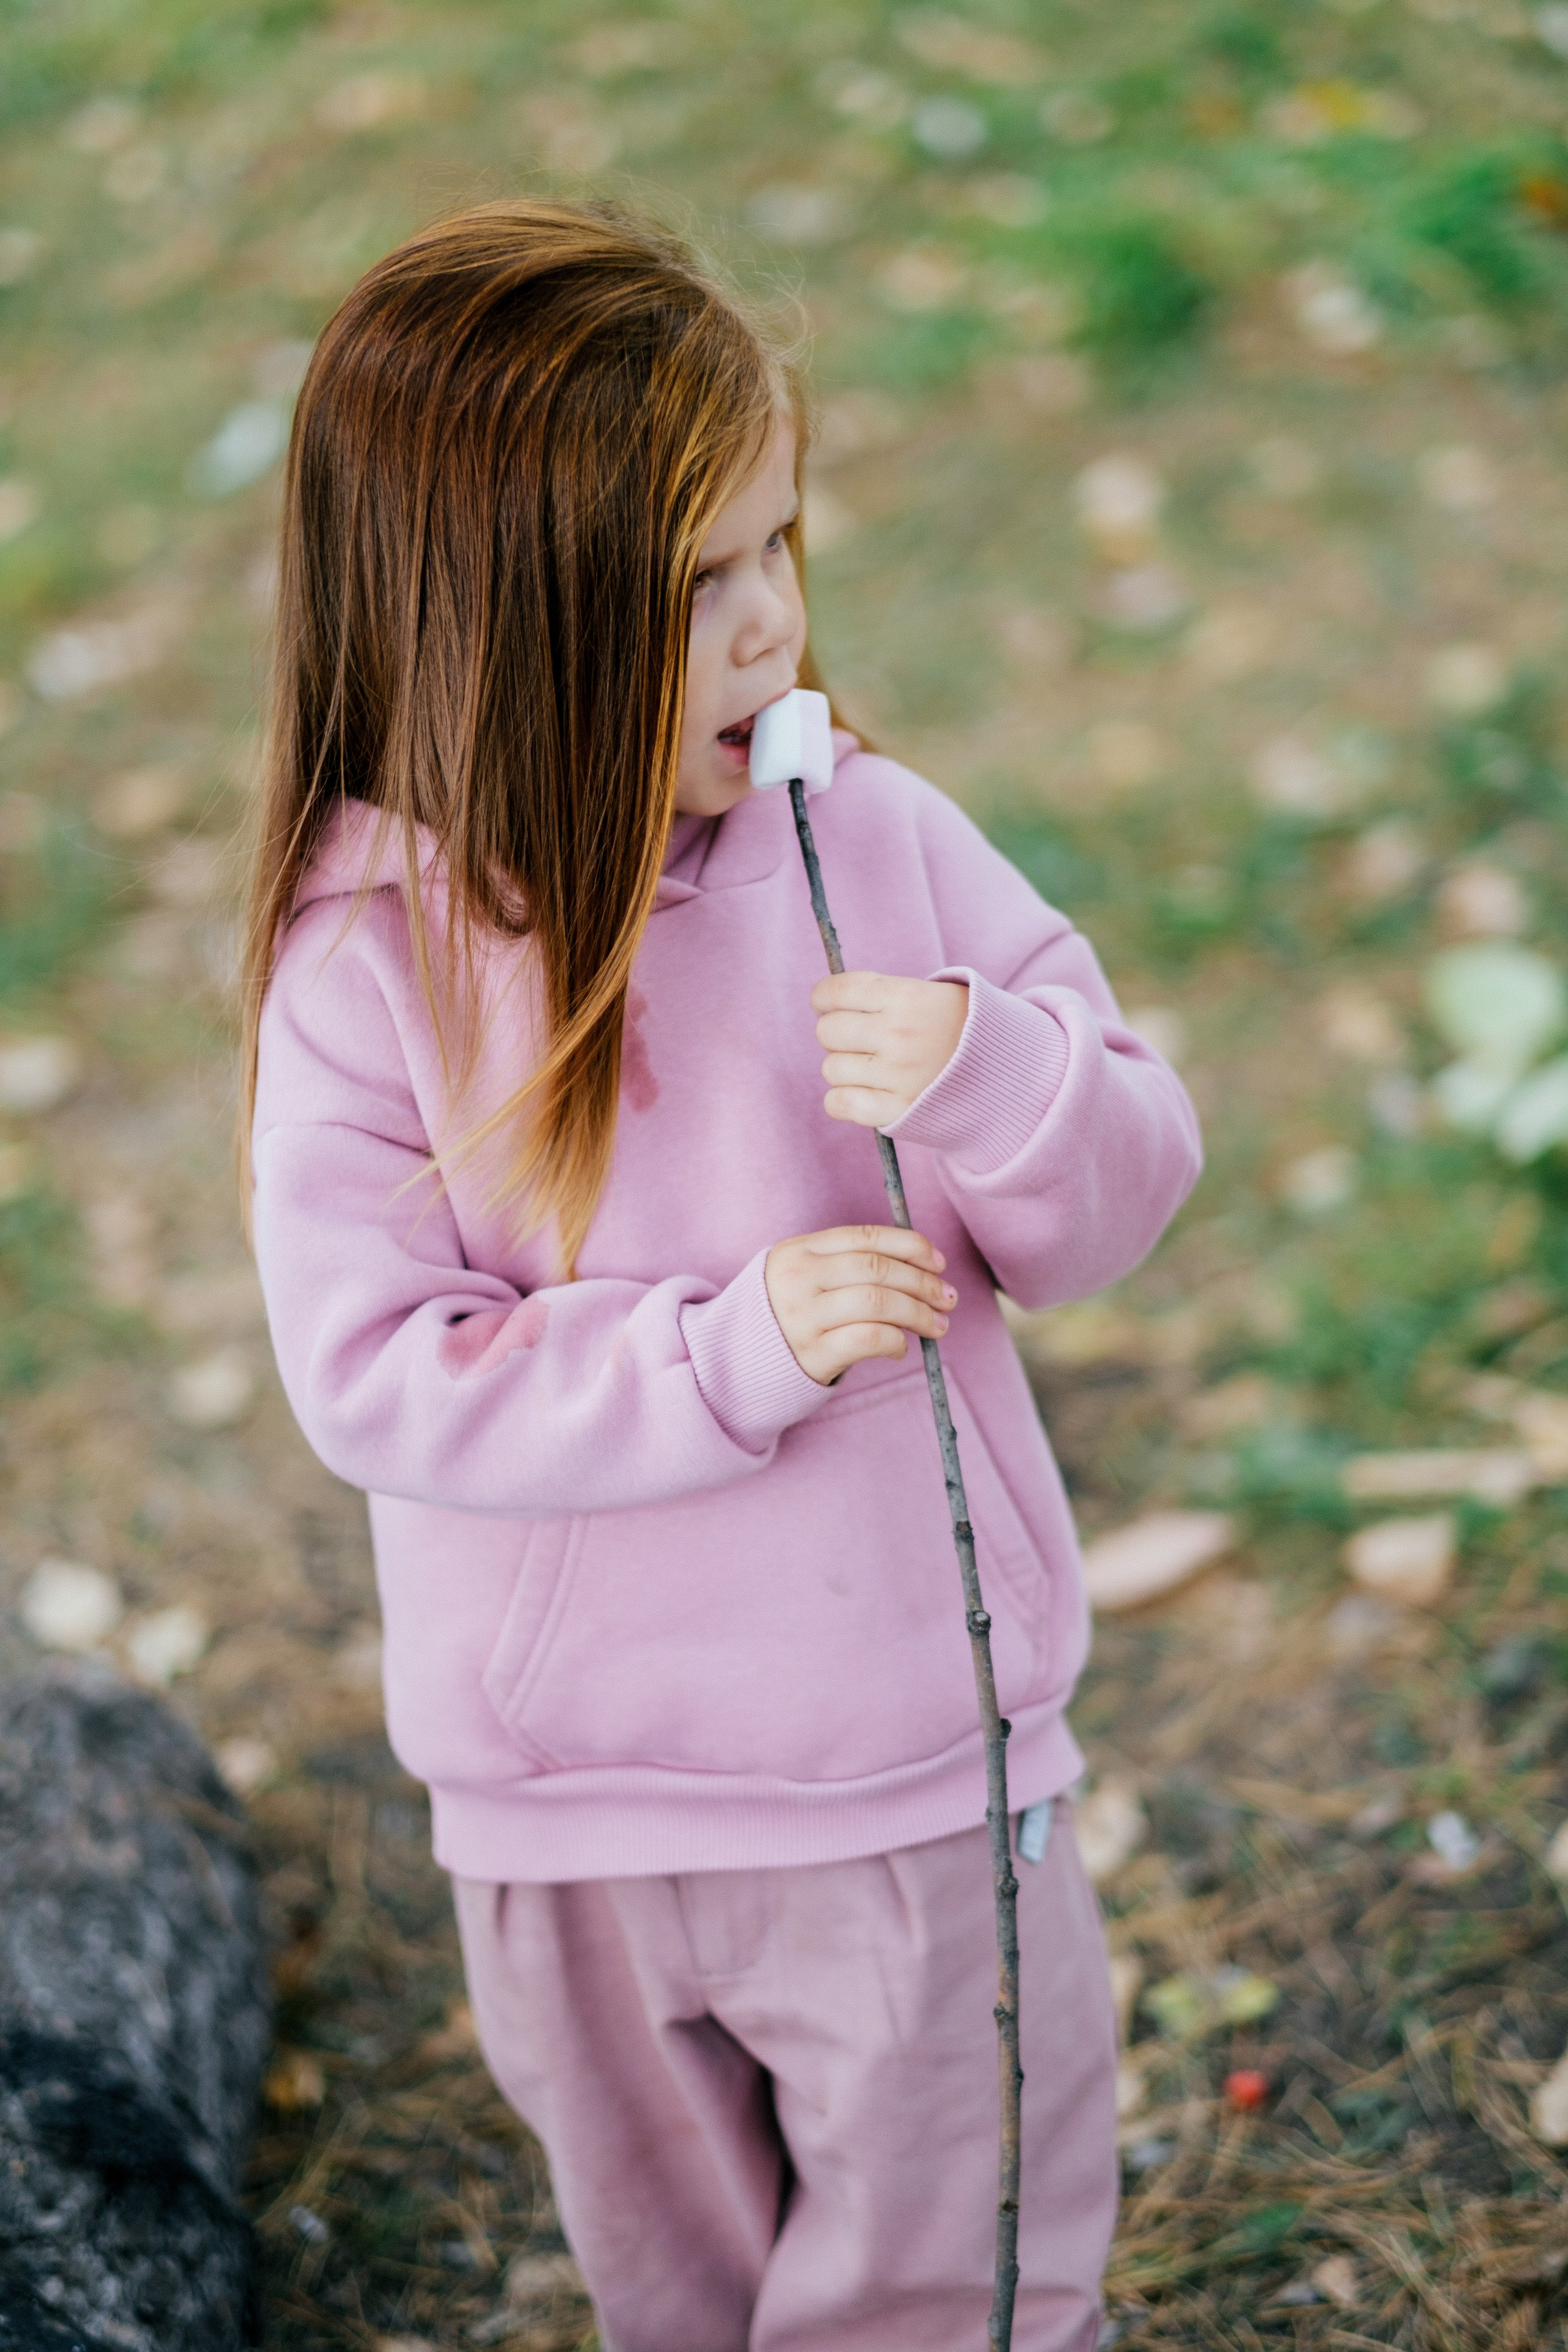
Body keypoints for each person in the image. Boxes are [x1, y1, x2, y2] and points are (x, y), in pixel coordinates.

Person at [243, 198, 1202, 2352]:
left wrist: (999, 1078)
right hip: (563, 1825)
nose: (774, 626)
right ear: (492, 630)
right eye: (698, 586)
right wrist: (727, 1350)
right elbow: (377, 1369)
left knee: (943, 2287)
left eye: (779, 543)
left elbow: (1130, 1183)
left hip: (900, 1780)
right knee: (677, 2292)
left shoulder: (878, 846)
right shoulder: (368, 971)